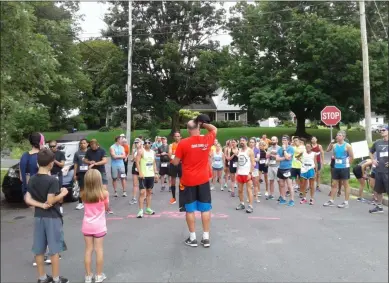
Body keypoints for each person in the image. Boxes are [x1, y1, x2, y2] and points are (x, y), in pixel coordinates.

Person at [24, 149, 69, 283]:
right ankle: (56, 279)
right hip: (52, 217)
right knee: (54, 250)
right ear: (50, 164)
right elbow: (51, 201)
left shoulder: (32, 179)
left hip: (38, 216)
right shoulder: (52, 180)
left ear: (38, 163)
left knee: (39, 249)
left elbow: (28, 198)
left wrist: (40, 205)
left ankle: (42, 277)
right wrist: (63, 193)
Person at [173, 115, 216, 247]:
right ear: (199, 127)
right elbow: (214, 129)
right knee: (205, 209)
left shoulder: (183, 143)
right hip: (203, 179)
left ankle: (193, 238)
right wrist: (202, 123)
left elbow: (175, 162)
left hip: (188, 181)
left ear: (187, 129)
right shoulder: (207, 139)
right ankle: (206, 237)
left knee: (190, 210)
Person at [81, 169, 109, 283]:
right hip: (99, 226)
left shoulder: (83, 194)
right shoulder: (104, 193)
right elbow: (106, 207)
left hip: (87, 225)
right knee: (99, 250)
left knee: (88, 250)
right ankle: (98, 275)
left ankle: (88, 275)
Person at [323, 131, 354, 208]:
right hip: (336, 167)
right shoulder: (334, 145)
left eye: (339, 135)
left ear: (343, 137)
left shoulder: (348, 146)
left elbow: (352, 156)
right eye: (337, 135)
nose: (337, 136)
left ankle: (346, 202)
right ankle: (331, 201)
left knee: (345, 184)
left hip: (344, 167)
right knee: (334, 184)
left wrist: (348, 164)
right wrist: (331, 143)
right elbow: (328, 150)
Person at [83, 139, 112, 214]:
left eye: (94, 146)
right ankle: (95, 204)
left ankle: (107, 207)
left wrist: (95, 164)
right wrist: (89, 162)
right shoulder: (88, 151)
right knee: (92, 188)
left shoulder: (102, 150)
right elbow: (85, 160)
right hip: (92, 172)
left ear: (97, 144)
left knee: (104, 188)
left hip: (101, 171)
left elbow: (105, 160)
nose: (93, 147)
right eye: (91, 146)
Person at [136, 139, 159, 218]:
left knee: (149, 191)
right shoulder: (141, 151)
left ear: (151, 144)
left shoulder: (153, 152)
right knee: (142, 192)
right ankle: (140, 210)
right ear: (144, 144)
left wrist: (155, 173)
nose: (147, 144)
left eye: (149, 143)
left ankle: (148, 208)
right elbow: (137, 162)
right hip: (143, 175)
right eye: (145, 143)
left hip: (151, 174)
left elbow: (153, 162)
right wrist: (140, 172)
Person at [369, 126, 388, 214]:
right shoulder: (377, 142)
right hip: (379, 170)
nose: (381, 131)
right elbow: (370, 151)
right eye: (380, 130)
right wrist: (373, 159)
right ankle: (379, 207)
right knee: (379, 190)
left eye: (383, 130)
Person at [235, 137, 256, 213]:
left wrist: (250, 173)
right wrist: (237, 172)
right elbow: (239, 162)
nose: (242, 142)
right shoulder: (239, 151)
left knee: (249, 190)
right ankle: (242, 203)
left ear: (246, 142)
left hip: (247, 174)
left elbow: (253, 163)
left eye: (243, 141)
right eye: (241, 141)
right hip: (240, 173)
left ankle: (250, 206)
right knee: (240, 190)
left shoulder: (250, 151)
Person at [276, 135, 295, 206]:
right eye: (282, 140)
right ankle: (283, 198)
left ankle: (292, 200)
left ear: (288, 141)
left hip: (288, 168)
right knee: (281, 185)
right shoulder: (279, 149)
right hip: (281, 168)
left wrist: (284, 150)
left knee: (289, 185)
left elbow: (288, 157)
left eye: (285, 140)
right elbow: (277, 159)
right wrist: (285, 157)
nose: (283, 141)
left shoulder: (291, 148)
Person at [49, 140, 66, 214]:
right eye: (50, 146)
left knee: (59, 190)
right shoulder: (47, 153)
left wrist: (54, 160)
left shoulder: (60, 153)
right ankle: (51, 206)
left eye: (54, 146)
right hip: (49, 174)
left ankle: (60, 206)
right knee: (50, 191)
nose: (52, 148)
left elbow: (62, 164)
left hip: (58, 173)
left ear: (57, 145)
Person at [74, 139, 89, 210]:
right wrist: (75, 174)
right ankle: (80, 203)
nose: (82, 144)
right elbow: (75, 164)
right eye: (81, 143)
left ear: (87, 144)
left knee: (90, 187)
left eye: (84, 143)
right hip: (81, 173)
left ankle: (90, 201)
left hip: (89, 172)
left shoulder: (90, 152)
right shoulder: (77, 153)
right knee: (82, 188)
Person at [168, 132, 182, 205]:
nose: (177, 137)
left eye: (178, 136)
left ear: (180, 137)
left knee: (181, 181)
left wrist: (176, 156)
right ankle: (173, 197)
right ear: (174, 137)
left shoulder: (183, 144)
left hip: (181, 164)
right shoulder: (171, 145)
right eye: (175, 136)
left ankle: (181, 197)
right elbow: (170, 154)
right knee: (173, 180)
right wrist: (175, 159)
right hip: (173, 164)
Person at [266, 136, 280, 200]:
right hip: (270, 166)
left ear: (277, 141)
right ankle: (271, 194)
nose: (273, 141)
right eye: (272, 140)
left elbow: (279, 157)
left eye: (274, 140)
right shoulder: (269, 148)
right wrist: (268, 155)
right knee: (271, 181)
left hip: (277, 166)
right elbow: (267, 156)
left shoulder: (280, 148)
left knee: (279, 181)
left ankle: (281, 195)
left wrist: (271, 155)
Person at [129, 138, 142, 205]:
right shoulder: (135, 151)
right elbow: (133, 159)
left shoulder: (143, 150)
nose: (137, 144)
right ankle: (134, 198)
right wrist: (133, 159)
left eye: (138, 142)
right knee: (135, 184)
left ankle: (144, 197)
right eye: (135, 143)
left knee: (142, 183)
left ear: (141, 143)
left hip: (142, 166)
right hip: (135, 167)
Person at [249, 138, 260, 203]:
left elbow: (258, 159)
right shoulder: (247, 150)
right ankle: (249, 197)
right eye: (250, 142)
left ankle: (256, 197)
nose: (251, 143)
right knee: (249, 184)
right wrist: (253, 159)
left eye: (252, 142)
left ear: (255, 143)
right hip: (248, 169)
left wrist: (251, 158)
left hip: (255, 168)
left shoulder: (257, 150)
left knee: (255, 184)